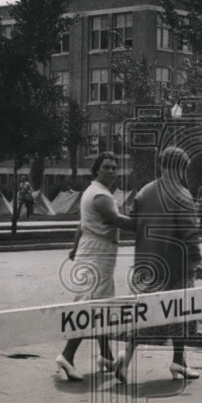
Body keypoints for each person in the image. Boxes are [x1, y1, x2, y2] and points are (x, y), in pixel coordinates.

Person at [113, 146, 202, 383]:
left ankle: (126, 356)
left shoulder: (144, 191)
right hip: (175, 265)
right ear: (179, 168)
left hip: (146, 264)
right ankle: (177, 361)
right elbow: (189, 233)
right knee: (182, 312)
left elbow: (133, 222)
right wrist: (197, 261)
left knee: (144, 313)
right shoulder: (182, 194)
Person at [56, 152, 135, 381]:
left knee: (101, 306)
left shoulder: (94, 192)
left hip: (97, 252)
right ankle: (67, 355)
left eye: (114, 167)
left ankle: (106, 356)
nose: (111, 171)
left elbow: (81, 225)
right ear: (97, 169)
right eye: (107, 167)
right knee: (91, 306)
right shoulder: (100, 195)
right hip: (98, 253)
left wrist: (74, 248)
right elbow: (118, 220)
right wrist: (146, 225)